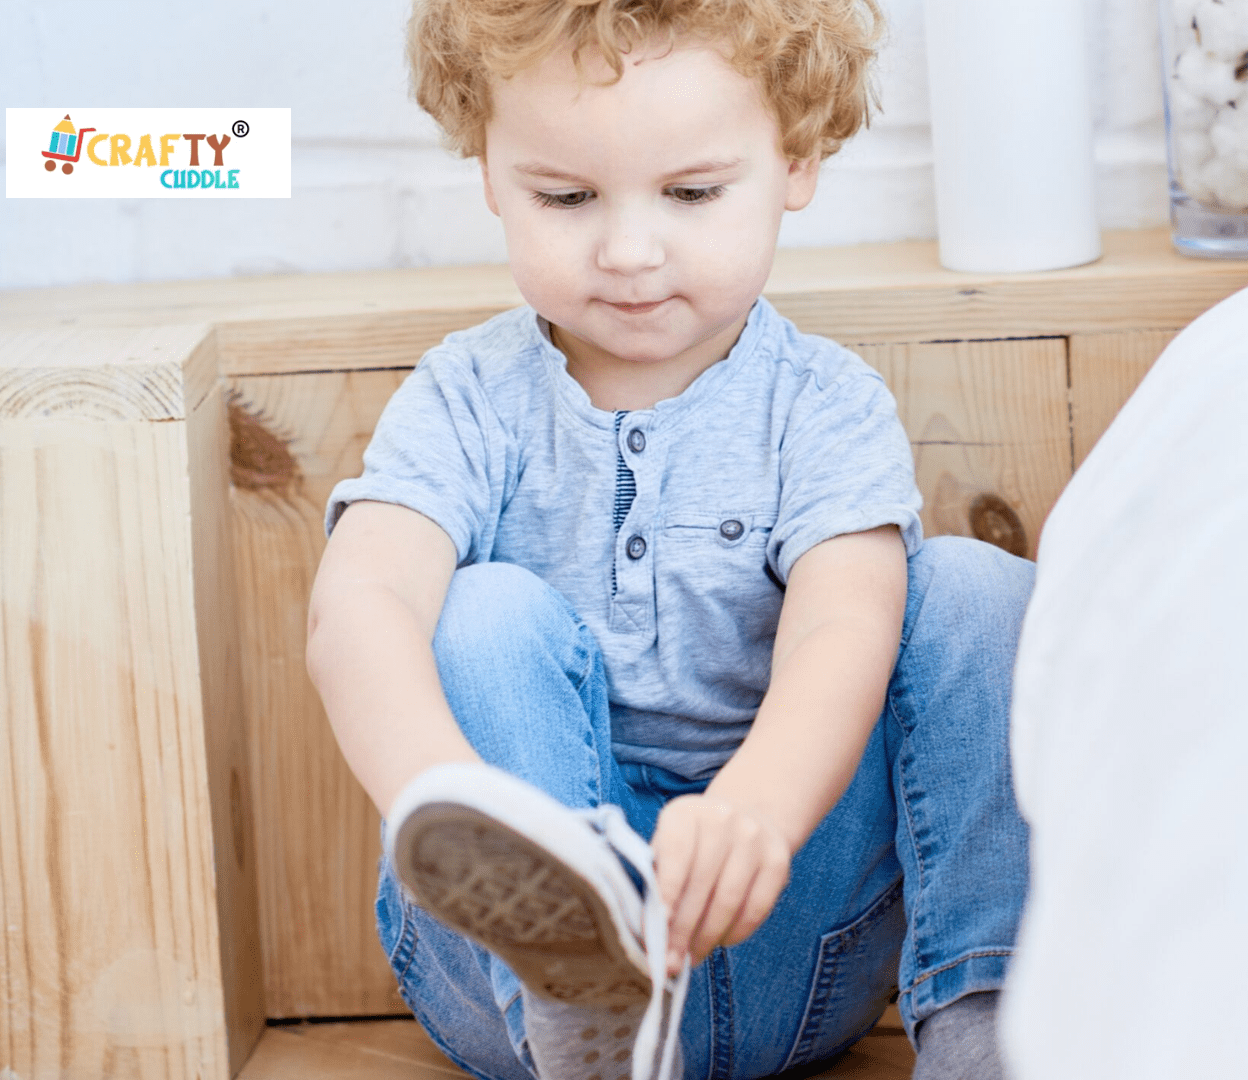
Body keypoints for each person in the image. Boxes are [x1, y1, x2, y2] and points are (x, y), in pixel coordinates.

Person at [306, 1, 1033, 1077]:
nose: (630, 250)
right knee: (481, 611)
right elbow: (357, 604)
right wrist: (459, 815)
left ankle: (985, 1019)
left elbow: (848, 622)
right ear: (492, 174)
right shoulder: (469, 398)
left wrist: (755, 812)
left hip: (789, 942)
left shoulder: (822, 406)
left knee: (974, 589)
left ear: (795, 161)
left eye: (692, 194)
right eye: (565, 196)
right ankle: (570, 982)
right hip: (509, 997)